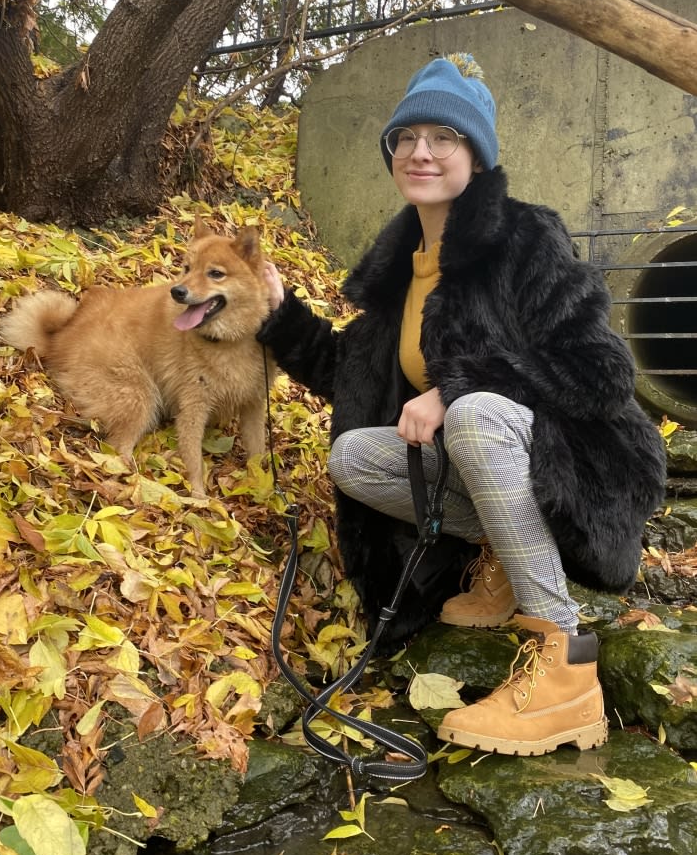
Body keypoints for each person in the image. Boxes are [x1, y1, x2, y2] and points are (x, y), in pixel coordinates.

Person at [259, 53, 666, 757]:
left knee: (475, 413)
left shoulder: (525, 238)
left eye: (443, 137)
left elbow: (602, 372)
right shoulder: (398, 272)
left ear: (475, 156)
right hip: (490, 461)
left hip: (578, 465)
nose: (421, 151)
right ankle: (503, 554)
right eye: (407, 138)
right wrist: (277, 314)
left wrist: (455, 390)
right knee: (355, 456)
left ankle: (567, 669)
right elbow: (347, 375)